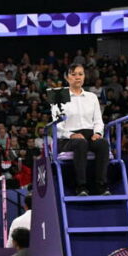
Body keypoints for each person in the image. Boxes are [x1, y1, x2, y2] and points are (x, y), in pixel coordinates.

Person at [54, 65, 110, 196]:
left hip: (89, 135)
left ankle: (101, 185)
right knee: (80, 143)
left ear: (84, 76)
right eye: (73, 74)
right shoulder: (58, 95)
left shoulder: (92, 97)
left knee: (103, 143)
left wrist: (98, 133)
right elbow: (56, 125)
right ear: (67, 77)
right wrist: (71, 135)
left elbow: (98, 121)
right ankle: (81, 186)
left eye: (80, 74)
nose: (77, 77)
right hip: (67, 139)